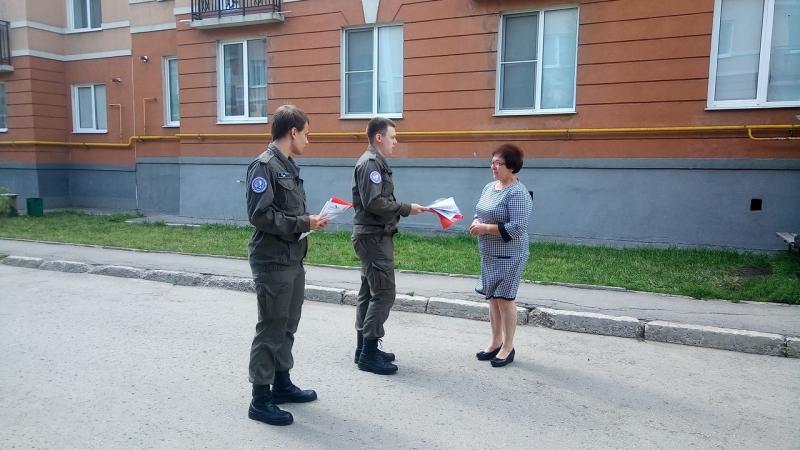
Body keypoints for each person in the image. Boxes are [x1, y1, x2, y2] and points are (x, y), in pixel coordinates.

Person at [245, 105, 329, 426]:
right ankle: (260, 398)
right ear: (293, 132)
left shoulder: (289, 166)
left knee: (288, 323)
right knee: (271, 326)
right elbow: (260, 215)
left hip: (293, 256)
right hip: (272, 259)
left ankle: (281, 383)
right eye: (306, 133)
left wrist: (308, 223)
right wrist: (302, 221)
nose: (308, 140)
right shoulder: (264, 166)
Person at [352, 117, 428, 375]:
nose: (396, 142)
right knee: (383, 294)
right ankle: (368, 354)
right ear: (379, 137)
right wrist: (406, 208)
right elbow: (374, 202)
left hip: (372, 236)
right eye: (393, 137)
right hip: (373, 237)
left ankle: (364, 348)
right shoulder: (371, 163)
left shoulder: (374, 162)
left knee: (369, 292)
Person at [469, 144, 532, 368]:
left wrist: (485, 228)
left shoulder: (518, 192)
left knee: (505, 300)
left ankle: (508, 346)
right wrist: (477, 221)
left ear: (512, 167)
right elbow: (481, 211)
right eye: (492, 162)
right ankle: (495, 341)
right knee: (492, 298)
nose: (493, 166)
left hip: (510, 255)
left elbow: (517, 227)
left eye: (498, 163)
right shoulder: (490, 187)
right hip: (489, 254)